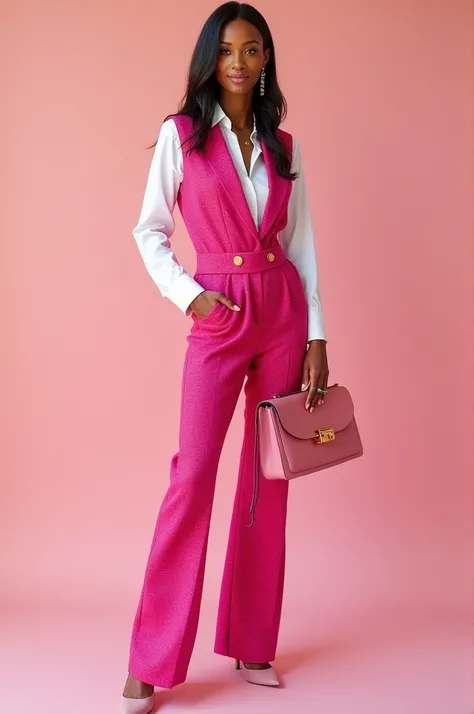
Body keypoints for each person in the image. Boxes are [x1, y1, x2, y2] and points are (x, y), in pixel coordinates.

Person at [120, 2, 329, 712]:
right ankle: (150, 658)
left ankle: (252, 641)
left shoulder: (285, 146)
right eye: (228, 49)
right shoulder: (182, 138)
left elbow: (301, 246)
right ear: (210, 57)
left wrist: (317, 336)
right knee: (193, 474)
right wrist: (191, 297)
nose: (239, 61)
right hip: (219, 312)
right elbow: (149, 233)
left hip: (280, 313)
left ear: (265, 59)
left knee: (270, 477)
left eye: (252, 49)